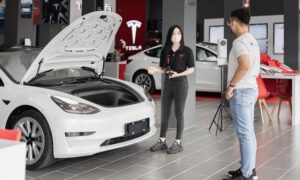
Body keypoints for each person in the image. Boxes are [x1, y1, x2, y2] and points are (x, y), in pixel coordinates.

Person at [223, 8, 260, 180]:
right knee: (248, 132)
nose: (230, 25)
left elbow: (244, 65)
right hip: (251, 88)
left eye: (230, 22)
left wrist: (231, 86)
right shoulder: (252, 40)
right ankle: (248, 168)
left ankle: (247, 174)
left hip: (242, 91)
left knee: (244, 133)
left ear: (235, 23)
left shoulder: (239, 42)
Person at [148, 25, 195, 154]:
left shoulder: (187, 51)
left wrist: (178, 74)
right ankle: (162, 141)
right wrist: (155, 70)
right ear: (170, 36)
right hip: (168, 84)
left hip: (180, 84)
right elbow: (163, 68)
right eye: (174, 33)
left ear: (181, 35)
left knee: (179, 113)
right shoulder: (166, 51)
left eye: (178, 33)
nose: (176, 35)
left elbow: (191, 69)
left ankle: (178, 142)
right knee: (165, 113)